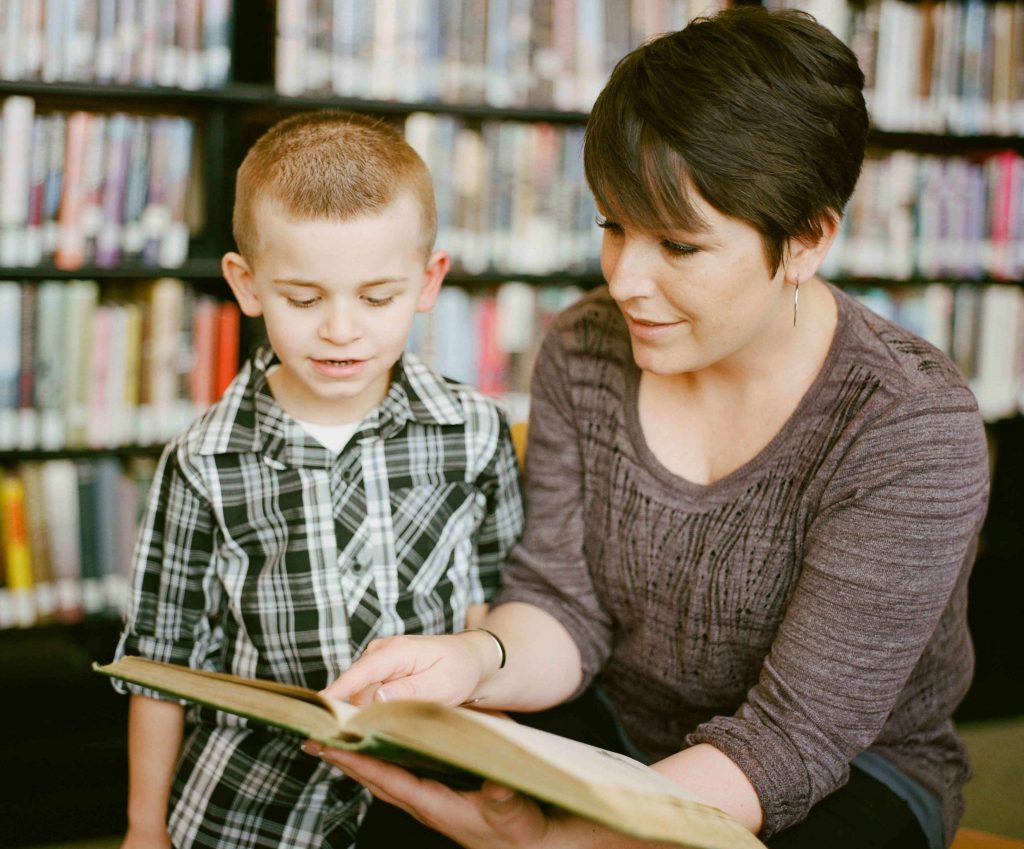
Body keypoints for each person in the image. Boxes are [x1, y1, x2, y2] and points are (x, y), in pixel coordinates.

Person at [308, 8, 990, 849]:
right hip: (620, 728)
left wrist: (556, 840)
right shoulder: (584, 347)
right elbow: (564, 607)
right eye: (613, 226)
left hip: (849, 774)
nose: (626, 278)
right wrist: (474, 660)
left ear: (807, 240)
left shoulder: (908, 424)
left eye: (678, 245)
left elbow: (792, 741)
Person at [111, 110, 524, 849]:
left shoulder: (474, 432)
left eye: (376, 297)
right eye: (304, 298)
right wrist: (145, 828)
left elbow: (494, 612)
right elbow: (158, 664)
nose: (341, 329)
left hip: (429, 797)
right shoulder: (203, 461)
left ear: (429, 281)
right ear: (247, 284)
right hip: (251, 807)